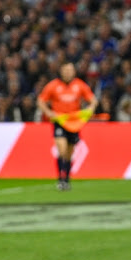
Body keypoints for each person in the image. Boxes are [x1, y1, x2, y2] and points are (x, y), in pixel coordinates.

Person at [36, 62, 98, 191]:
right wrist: (48, 113)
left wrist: (90, 109)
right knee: (62, 149)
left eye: (70, 70)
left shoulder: (79, 85)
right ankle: (60, 178)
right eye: (66, 70)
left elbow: (93, 100)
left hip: (74, 123)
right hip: (60, 121)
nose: (68, 72)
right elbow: (41, 101)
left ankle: (67, 178)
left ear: (74, 71)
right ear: (61, 71)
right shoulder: (53, 86)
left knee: (70, 153)